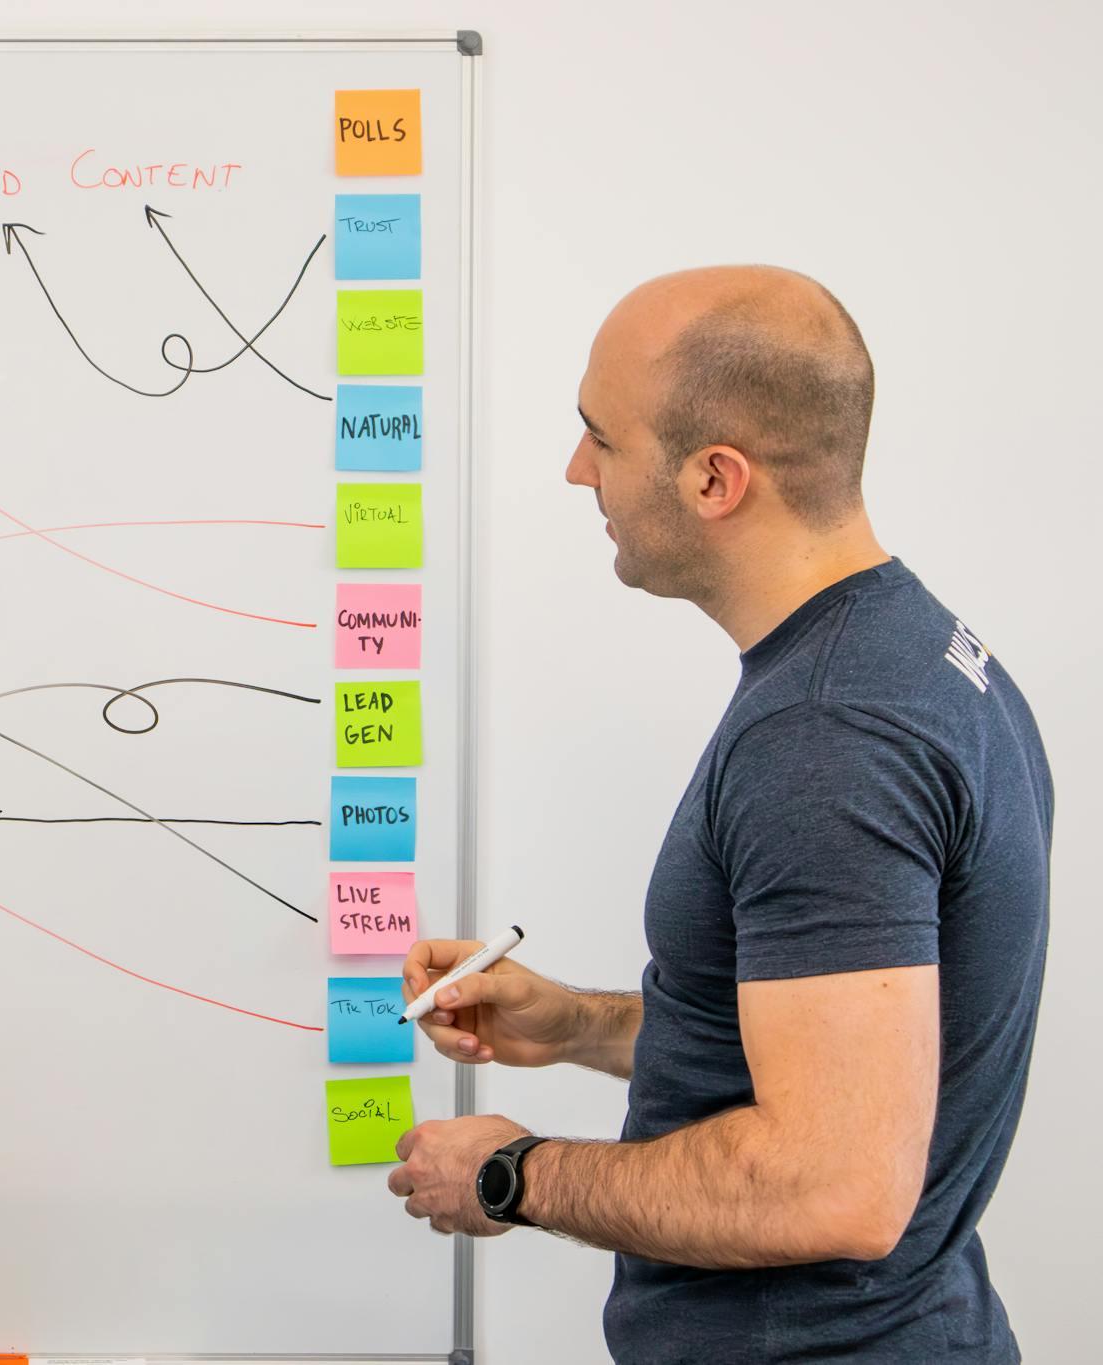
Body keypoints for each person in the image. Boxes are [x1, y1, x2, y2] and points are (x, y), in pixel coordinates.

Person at [385, 267, 1051, 1362]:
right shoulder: (921, 656)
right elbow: (840, 1052)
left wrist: (511, 1175)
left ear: (711, 479)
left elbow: (831, 1186)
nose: (573, 470)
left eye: (599, 438)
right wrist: (577, 1026)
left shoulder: (827, 737)